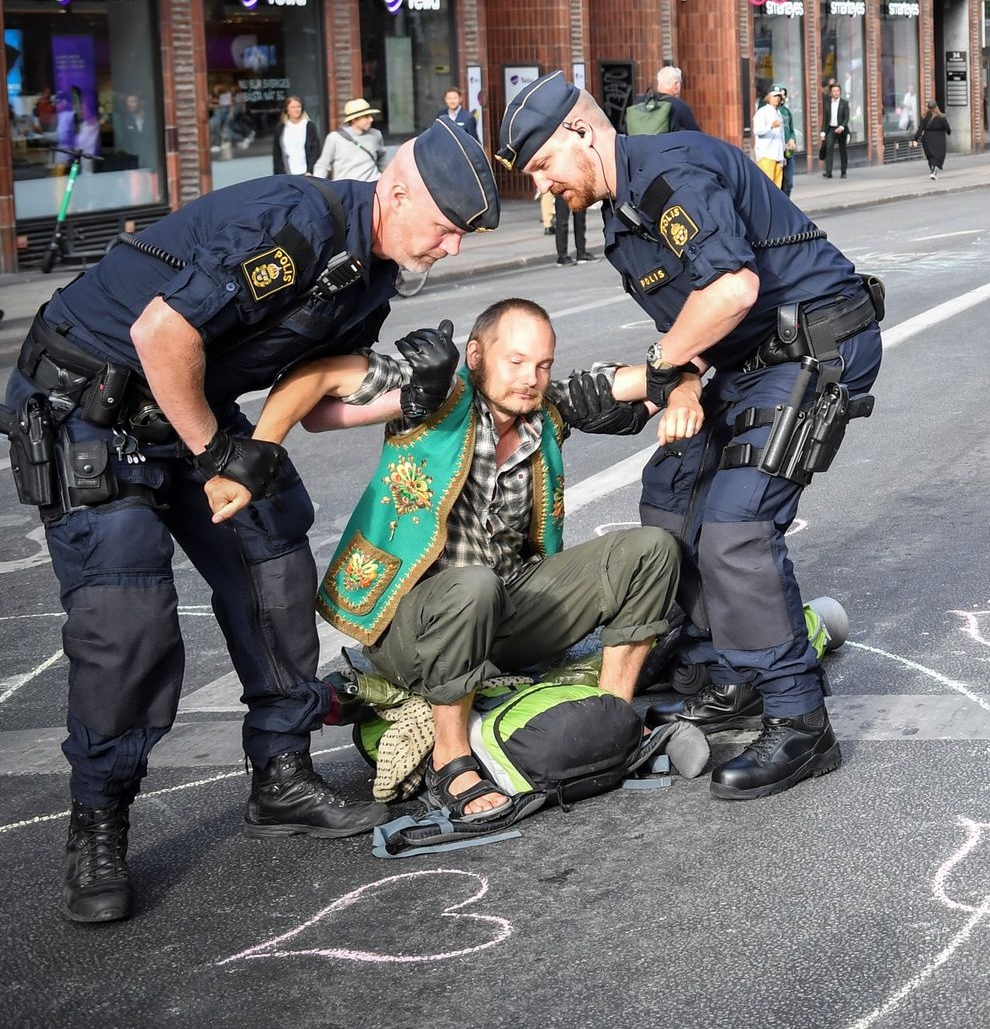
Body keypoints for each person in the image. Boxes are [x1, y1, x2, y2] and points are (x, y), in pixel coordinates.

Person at [2, 118, 500, 923]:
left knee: (275, 560)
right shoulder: (294, 225)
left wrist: (407, 390)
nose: (449, 249)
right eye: (445, 229)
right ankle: (99, 823)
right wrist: (216, 456)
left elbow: (310, 408)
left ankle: (281, 777)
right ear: (398, 190)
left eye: (460, 237)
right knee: (128, 620)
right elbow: (160, 335)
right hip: (87, 405)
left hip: (183, 410)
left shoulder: (370, 273)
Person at [497, 71, 883, 799]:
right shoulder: (619, 226)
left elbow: (732, 288)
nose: (544, 186)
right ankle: (724, 672)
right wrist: (673, 385)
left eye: (544, 165)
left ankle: (802, 724)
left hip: (815, 346)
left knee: (735, 522)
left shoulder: (668, 174)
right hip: (744, 359)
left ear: (582, 133)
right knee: (671, 493)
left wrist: (652, 370)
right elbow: (687, 332)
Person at [235, 299, 680, 831]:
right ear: (475, 354)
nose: (529, 378)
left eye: (542, 365)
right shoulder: (434, 392)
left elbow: (641, 379)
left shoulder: (544, 410)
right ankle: (451, 761)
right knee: (472, 585)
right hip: (414, 627)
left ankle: (611, 722)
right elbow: (319, 376)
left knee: (650, 549)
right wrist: (255, 458)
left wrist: (686, 384)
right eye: (515, 362)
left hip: (505, 610)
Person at [315, 98, 386, 181]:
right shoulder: (334, 138)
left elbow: (383, 160)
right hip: (346, 188)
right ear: (354, 119)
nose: (371, 119)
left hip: (372, 186)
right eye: (366, 116)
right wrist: (316, 187)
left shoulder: (376, 135)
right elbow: (323, 165)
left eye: (371, 116)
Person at [751, 84, 788, 188]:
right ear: (769, 97)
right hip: (766, 155)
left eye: (778, 96)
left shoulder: (779, 113)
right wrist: (771, 126)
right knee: (767, 187)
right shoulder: (762, 112)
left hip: (778, 156)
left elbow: (781, 136)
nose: (777, 99)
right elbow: (757, 130)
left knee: (777, 188)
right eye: (774, 96)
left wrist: (783, 153)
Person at [272, 94, 316, 176]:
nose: (296, 109)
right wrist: (279, 174)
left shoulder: (309, 126)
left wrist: (311, 170)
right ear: (287, 110)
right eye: (293, 107)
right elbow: (277, 153)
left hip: (307, 173)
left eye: (298, 107)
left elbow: (315, 150)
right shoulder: (281, 128)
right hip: (288, 173)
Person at [818, 81, 853, 178]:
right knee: (829, 149)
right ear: (831, 92)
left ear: (840, 92)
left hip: (841, 129)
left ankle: (843, 172)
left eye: (837, 91)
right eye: (834, 91)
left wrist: (842, 126)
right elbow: (825, 118)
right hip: (831, 129)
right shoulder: (827, 103)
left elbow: (846, 117)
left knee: (843, 150)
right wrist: (823, 131)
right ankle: (828, 172)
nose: (836, 93)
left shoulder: (844, 103)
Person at [917, 101, 950, 178]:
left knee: (930, 156)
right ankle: (934, 169)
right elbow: (947, 127)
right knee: (937, 155)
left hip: (927, 139)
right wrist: (948, 132)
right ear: (936, 107)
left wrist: (916, 137)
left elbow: (920, 129)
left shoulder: (924, 117)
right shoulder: (941, 117)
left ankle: (932, 168)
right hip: (939, 139)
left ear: (928, 108)